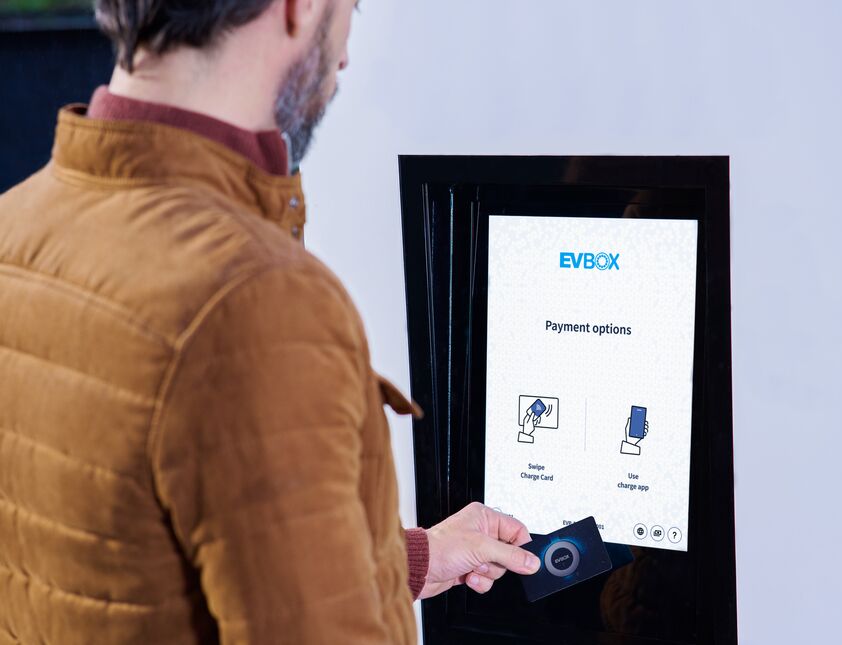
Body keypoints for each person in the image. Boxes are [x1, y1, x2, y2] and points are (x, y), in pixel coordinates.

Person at [0, 0, 540, 643]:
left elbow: (152, 559)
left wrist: (413, 559)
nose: (342, 55)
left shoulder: (16, 227)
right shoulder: (257, 300)